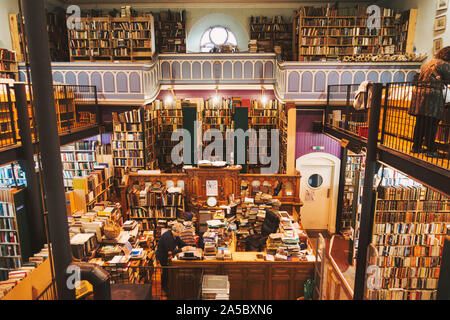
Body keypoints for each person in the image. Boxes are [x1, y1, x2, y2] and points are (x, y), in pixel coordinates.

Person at [409, 46, 450, 157]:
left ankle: (416, 147)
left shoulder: (427, 63)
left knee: (420, 123)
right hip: (432, 96)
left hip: (419, 95)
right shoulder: (444, 65)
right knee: (432, 123)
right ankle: (431, 150)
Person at [155, 222, 193, 295]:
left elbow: (181, 243)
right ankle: (165, 287)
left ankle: (168, 284)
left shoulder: (174, 235)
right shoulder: (168, 237)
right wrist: (182, 250)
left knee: (168, 271)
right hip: (163, 256)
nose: (180, 234)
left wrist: (189, 247)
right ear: (176, 231)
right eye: (180, 233)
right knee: (165, 271)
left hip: (168, 255)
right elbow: (170, 252)